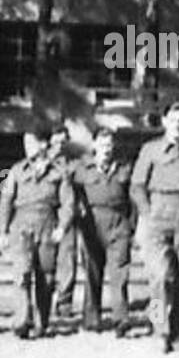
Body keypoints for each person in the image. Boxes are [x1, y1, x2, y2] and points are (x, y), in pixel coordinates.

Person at [130, 102, 179, 353]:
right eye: (173, 121)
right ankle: (160, 331)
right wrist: (146, 213)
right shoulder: (150, 150)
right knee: (159, 277)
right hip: (157, 216)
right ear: (164, 123)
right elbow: (137, 185)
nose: (178, 126)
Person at [0, 125, 74, 339]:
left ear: (43, 145)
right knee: (22, 274)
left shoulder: (59, 172)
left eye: (31, 143)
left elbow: (68, 203)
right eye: (25, 143)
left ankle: (41, 322)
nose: (27, 147)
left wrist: (62, 227)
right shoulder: (15, 171)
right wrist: (2, 230)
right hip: (21, 225)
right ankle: (22, 321)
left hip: (47, 224)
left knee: (46, 277)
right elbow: (5, 201)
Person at [71, 127, 135, 335]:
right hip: (92, 224)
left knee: (120, 274)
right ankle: (91, 319)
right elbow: (70, 193)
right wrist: (78, 218)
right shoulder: (82, 170)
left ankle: (121, 319)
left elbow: (133, 198)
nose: (106, 149)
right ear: (94, 146)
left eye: (109, 145)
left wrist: (131, 226)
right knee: (93, 272)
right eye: (102, 144)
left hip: (118, 224)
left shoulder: (124, 169)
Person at [49, 126, 80, 322]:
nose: (59, 146)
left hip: (67, 216)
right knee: (44, 260)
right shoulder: (38, 162)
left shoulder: (75, 165)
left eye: (63, 142)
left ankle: (64, 301)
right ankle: (43, 298)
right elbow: (5, 181)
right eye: (56, 141)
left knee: (67, 259)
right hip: (44, 215)